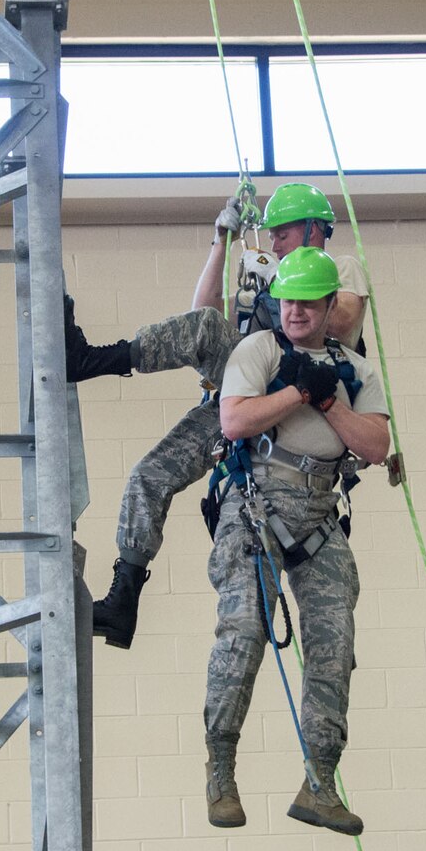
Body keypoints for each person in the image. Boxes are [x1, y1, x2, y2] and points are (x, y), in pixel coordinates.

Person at [63, 181, 368, 648]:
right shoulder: (267, 277)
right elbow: (200, 316)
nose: (274, 241)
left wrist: (279, 292)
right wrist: (222, 244)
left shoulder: (337, 271)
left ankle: (93, 360)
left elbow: (342, 321)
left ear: (313, 229)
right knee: (150, 474)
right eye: (271, 233)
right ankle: (122, 600)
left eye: (283, 232)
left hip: (298, 391)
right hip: (246, 401)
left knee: (208, 331)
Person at [204, 246, 390, 834]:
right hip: (257, 506)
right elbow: (233, 421)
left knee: (334, 646)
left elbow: (376, 446)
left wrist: (327, 397)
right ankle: (221, 771)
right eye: (286, 303)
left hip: (319, 515)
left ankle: (320, 783)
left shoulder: (355, 371)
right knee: (244, 633)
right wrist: (295, 393)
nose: (295, 314)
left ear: (332, 304)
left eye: (308, 304)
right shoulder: (257, 350)